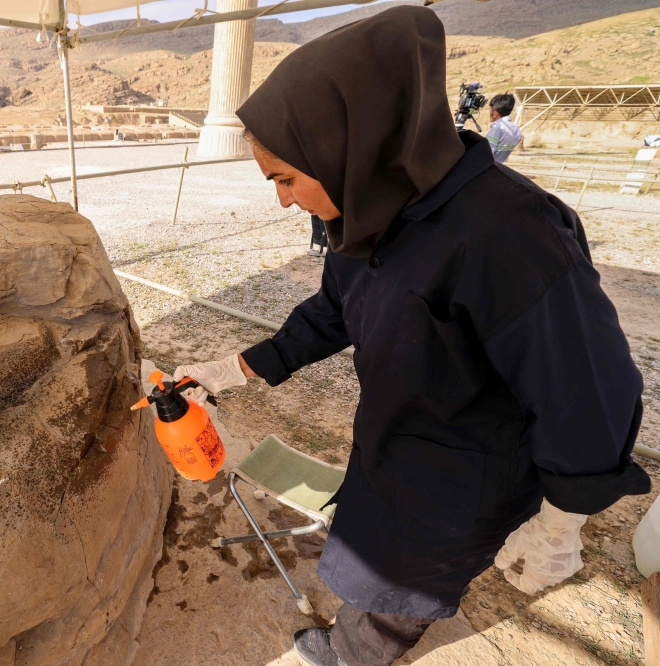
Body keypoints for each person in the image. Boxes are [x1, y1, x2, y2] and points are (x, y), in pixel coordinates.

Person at [171, 7, 650, 666]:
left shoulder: (512, 233)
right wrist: (236, 366)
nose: (283, 200)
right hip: (396, 446)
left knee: (397, 594)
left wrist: (563, 518)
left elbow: (588, 392)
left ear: (347, 146)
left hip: (464, 481)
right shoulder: (369, 214)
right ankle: (350, 636)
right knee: (372, 557)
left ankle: (350, 657)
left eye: (285, 178)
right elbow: (332, 312)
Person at [486, 93, 523, 164]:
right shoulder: (516, 129)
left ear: (495, 114)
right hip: (501, 167)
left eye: (490, 110)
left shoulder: (497, 129)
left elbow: (487, 154)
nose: (489, 113)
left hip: (489, 169)